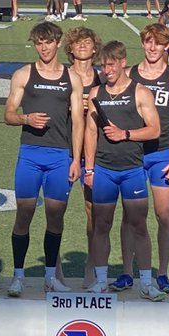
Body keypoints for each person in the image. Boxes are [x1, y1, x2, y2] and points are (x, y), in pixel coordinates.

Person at [4, 22, 84, 296]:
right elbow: (8, 114)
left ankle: (51, 275)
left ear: (58, 43)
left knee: (55, 216)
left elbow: (78, 120)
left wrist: (75, 159)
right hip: (30, 154)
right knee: (24, 213)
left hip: (59, 156)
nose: (44, 47)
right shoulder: (24, 74)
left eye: (48, 42)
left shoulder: (71, 78)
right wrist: (26, 118)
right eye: (39, 43)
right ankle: (18, 276)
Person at [84, 40, 164, 300]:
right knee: (101, 225)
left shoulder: (139, 92)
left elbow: (154, 129)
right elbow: (90, 132)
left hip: (132, 170)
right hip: (104, 170)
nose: (106, 70)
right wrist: (89, 168)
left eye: (110, 65)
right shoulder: (96, 95)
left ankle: (146, 283)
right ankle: (101, 281)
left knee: (139, 225)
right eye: (103, 66)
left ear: (121, 63)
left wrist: (125, 134)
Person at [115, 24, 169, 294]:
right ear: (143, 43)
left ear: (166, 46)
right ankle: (126, 271)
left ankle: (161, 272)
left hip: (162, 154)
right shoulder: (129, 74)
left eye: (158, 43)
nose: (152, 48)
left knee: (163, 214)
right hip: (132, 153)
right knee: (130, 215)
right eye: (148, 42)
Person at [64, 25, 103, 288]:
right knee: (57, 210)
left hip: (94, 153)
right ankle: (54, 270)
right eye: (78, 42)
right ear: (70, 48)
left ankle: (92, 266)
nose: (82, 45)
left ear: (94, 48)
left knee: (94, 212)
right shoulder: (61, 76)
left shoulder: (102, 78)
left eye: (87, 42)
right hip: (63, 147)